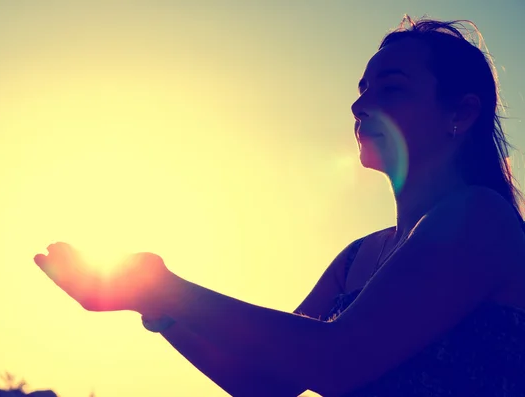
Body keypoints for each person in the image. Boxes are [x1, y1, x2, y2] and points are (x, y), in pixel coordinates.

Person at [33, 16, 525, 396]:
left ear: (460, 112)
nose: (360, 105)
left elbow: (336, 359)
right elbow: (265, 382)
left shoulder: (480, 217)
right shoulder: (358, 257)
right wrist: (153, 304)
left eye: (391, 87)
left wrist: (166, 288)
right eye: (362, 90)